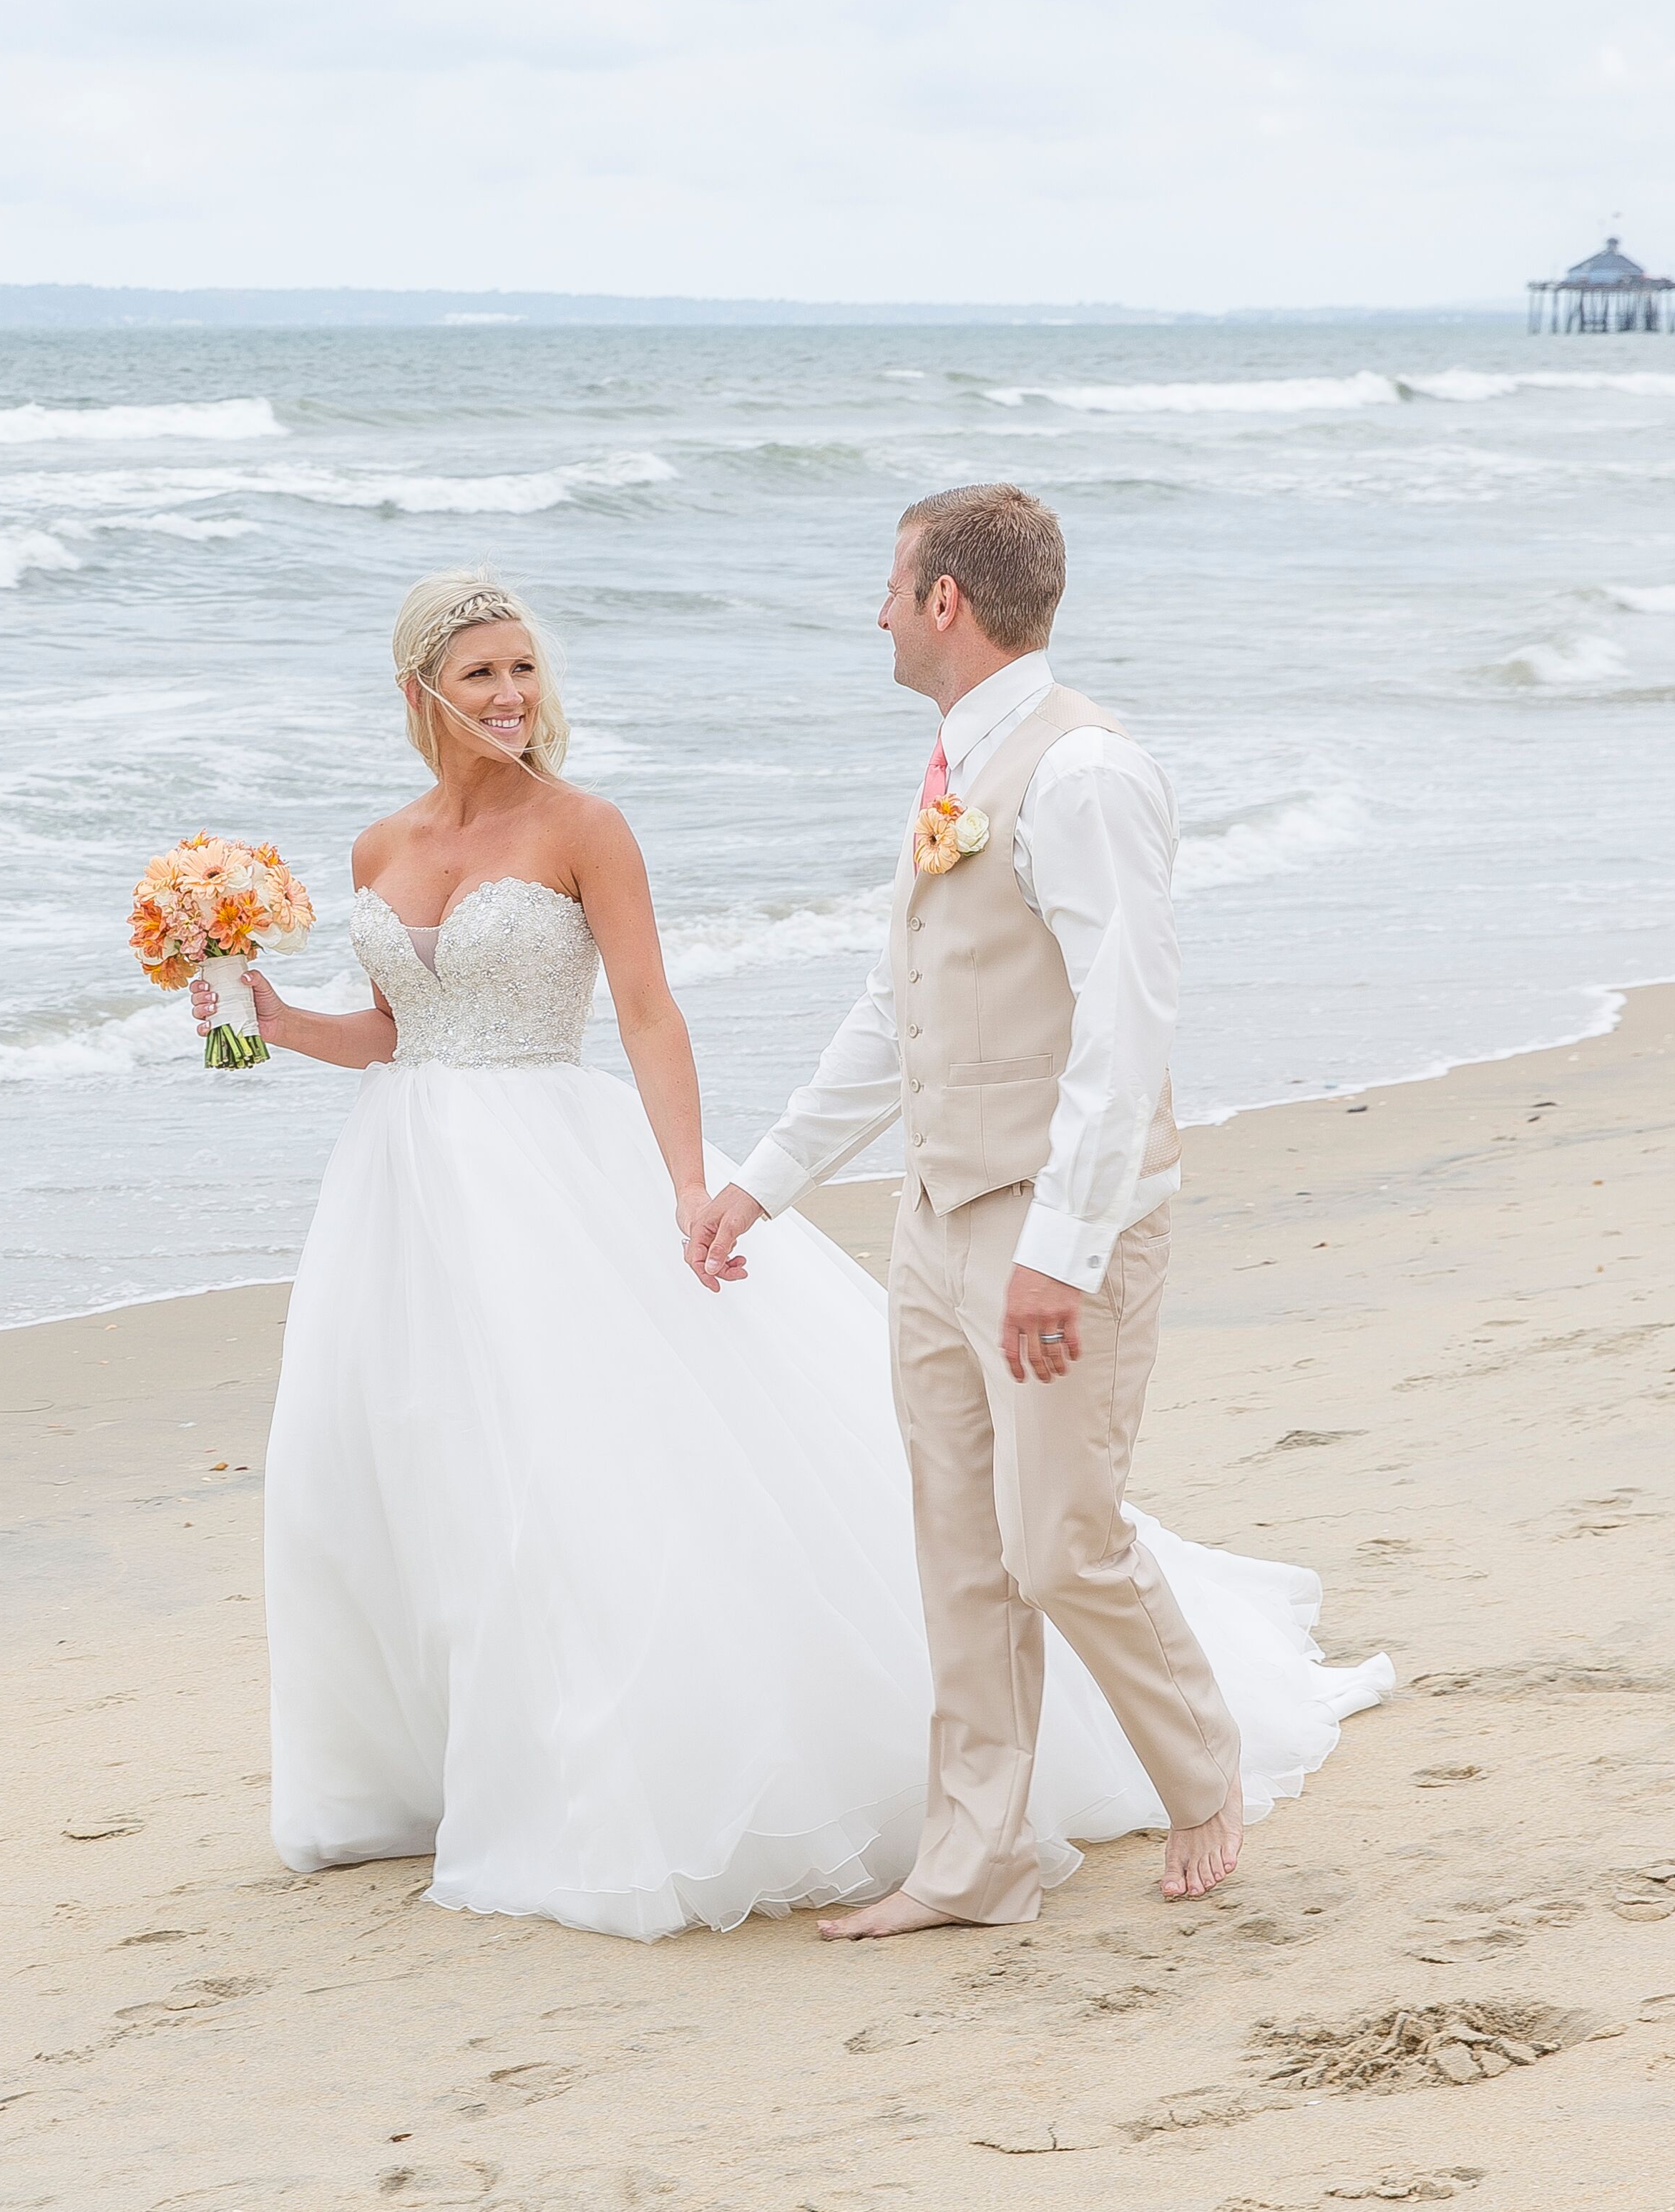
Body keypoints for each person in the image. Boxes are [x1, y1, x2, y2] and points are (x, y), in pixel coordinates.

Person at [205, 564, 1385, 1942]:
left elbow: (647, 1013)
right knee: (406, 1471)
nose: (512, 696)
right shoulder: (374, 848)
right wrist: (273, 1017)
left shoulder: (585, 827)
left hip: (549, 1170)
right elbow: (398, 1030)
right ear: (420, 691)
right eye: (481, 675)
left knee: (579, 1481)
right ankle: (445, 1769)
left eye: (524, 668)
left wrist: (699, 1181)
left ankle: (649, 1784)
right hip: (402, 1187)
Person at [690, 483, 1253, 1936]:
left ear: (945, 601)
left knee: (1057, 1536)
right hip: (933, 1215)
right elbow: (898, 1013)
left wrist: (1060, 1254)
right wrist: (760, 1182)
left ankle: (1202, 1775)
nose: (873, 611)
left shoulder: (1085, 775)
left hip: (1053, 1223)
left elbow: (1127, 1028)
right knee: (958, 1550)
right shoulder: (953, 766)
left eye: (890, 585)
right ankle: (973, 1857)